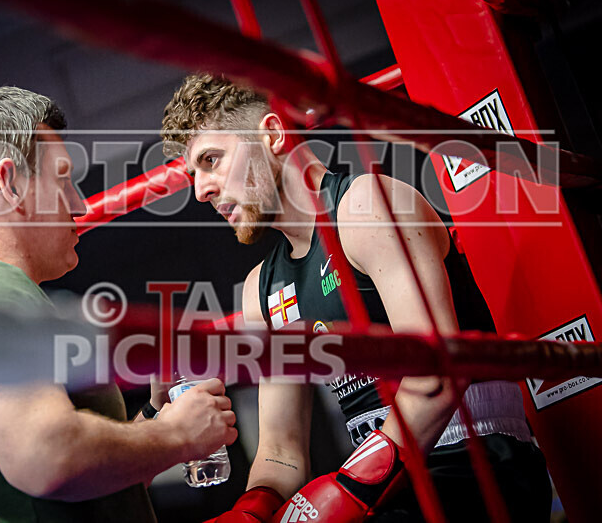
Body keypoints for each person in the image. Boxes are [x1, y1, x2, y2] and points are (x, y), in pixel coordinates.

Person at [161, 74, 551, 522]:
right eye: (194, 173)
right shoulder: (262, 289)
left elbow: (440, 375)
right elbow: (281, 448)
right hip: (384, 484)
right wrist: (251, 513)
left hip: (475, 460)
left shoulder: (365, 206)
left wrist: (351, 488)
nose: (201, 189)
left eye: (212, 160)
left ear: (271, 134)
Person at [0, 84, 237, 522]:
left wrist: (153, 419)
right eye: (62, 178)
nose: (79, 204)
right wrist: (178, 432)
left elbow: (79, 488)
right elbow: (48, 457)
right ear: (9, 183)